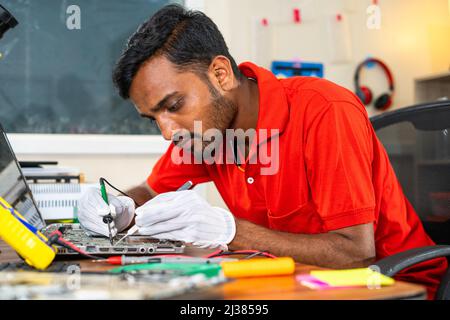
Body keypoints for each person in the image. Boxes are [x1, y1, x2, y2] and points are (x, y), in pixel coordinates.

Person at [78, 4, 447, 298]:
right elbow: (149, 192)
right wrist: (117, 205)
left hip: (391, 286)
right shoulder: (204, 136)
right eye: (152, 118)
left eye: (174, 105)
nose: (166, 132)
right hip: (295, 281)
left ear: (220, 75)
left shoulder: (324, 111)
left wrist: (228, 230)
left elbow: (355, 253)